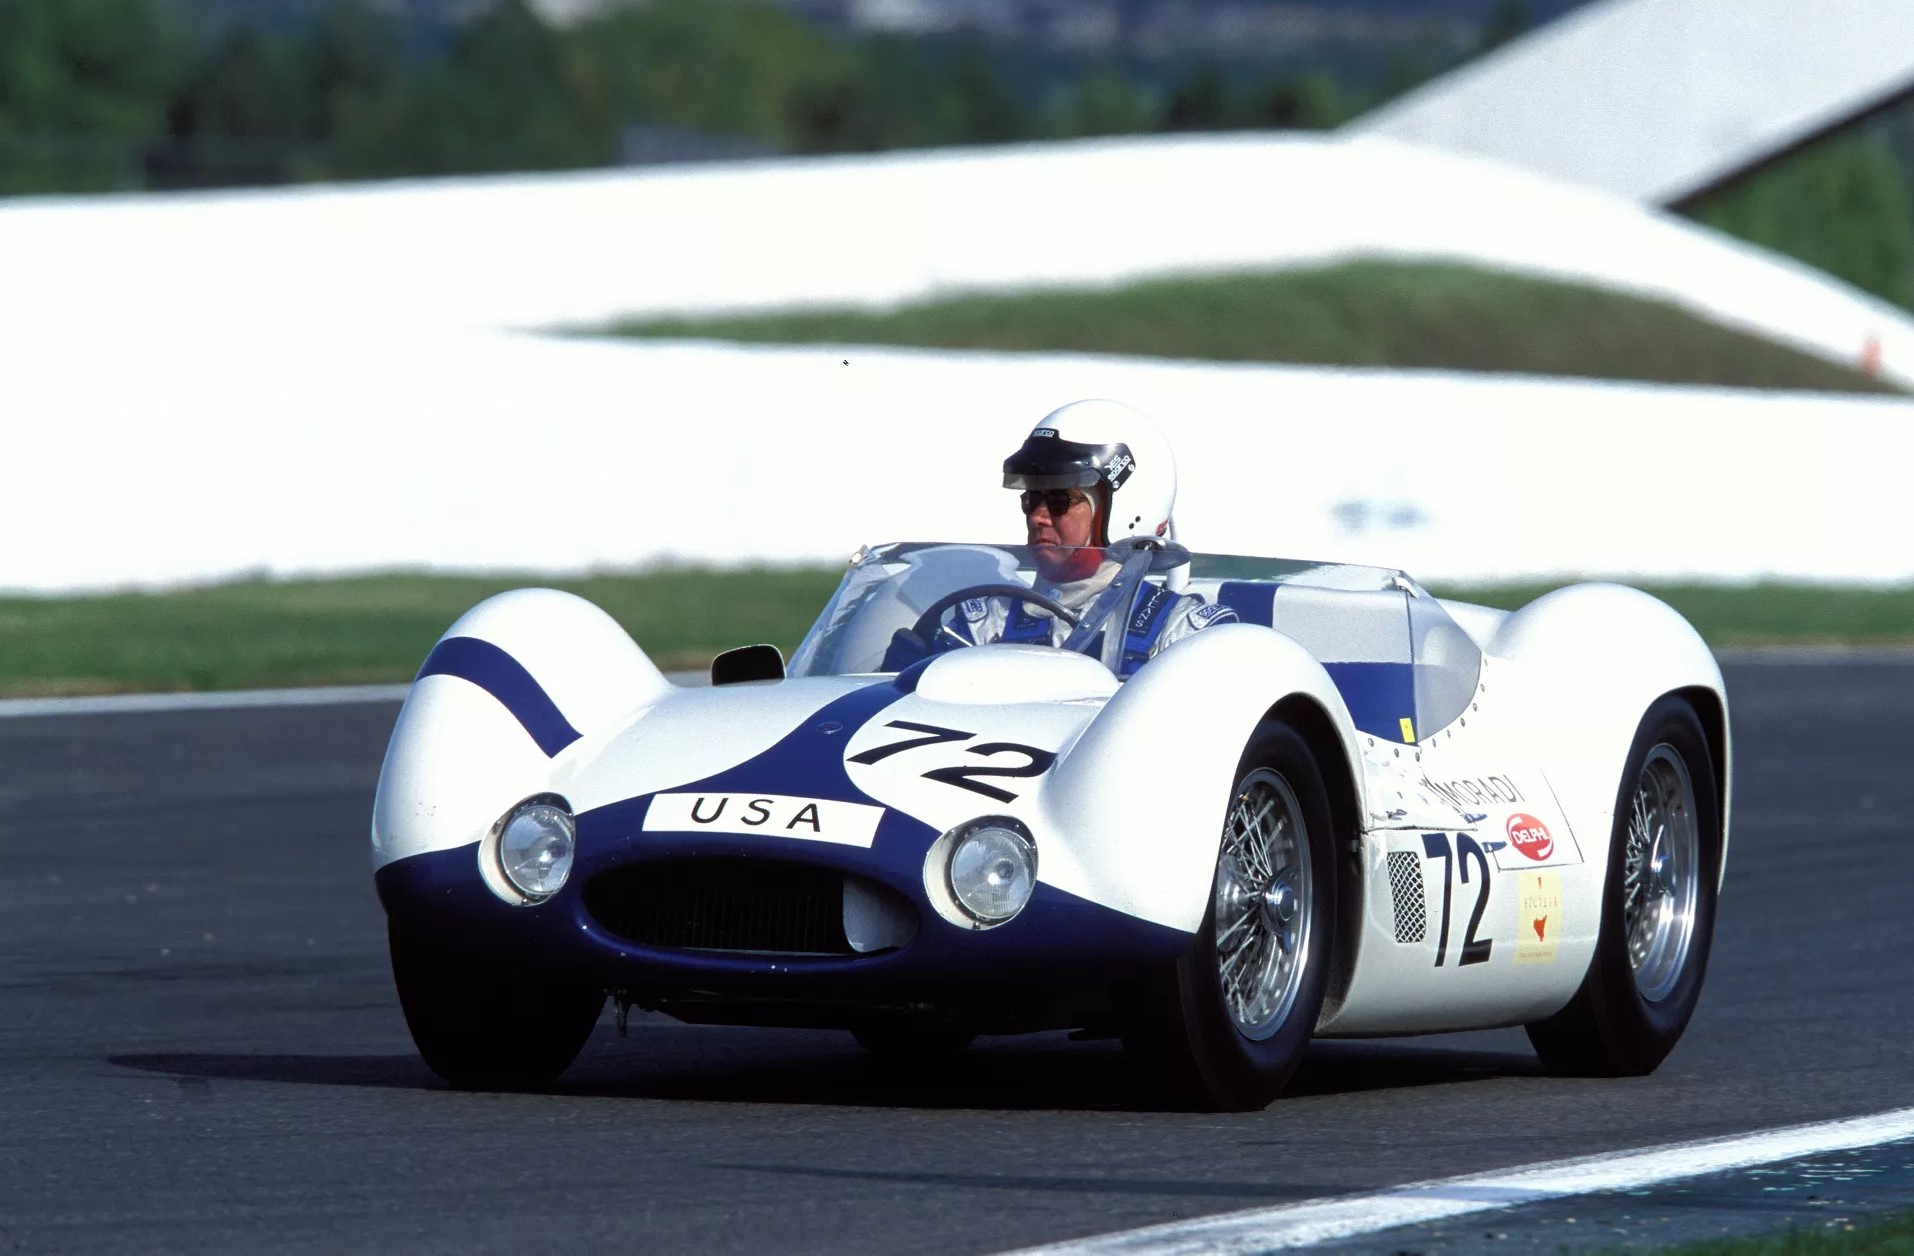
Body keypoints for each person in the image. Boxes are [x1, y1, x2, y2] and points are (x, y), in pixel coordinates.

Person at [944, 398, 1237, 674]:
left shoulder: (1183, 637)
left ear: (1125, 510)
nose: (1037, 517)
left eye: (1059, 501)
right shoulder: (982, 627)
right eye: (1031, 500)